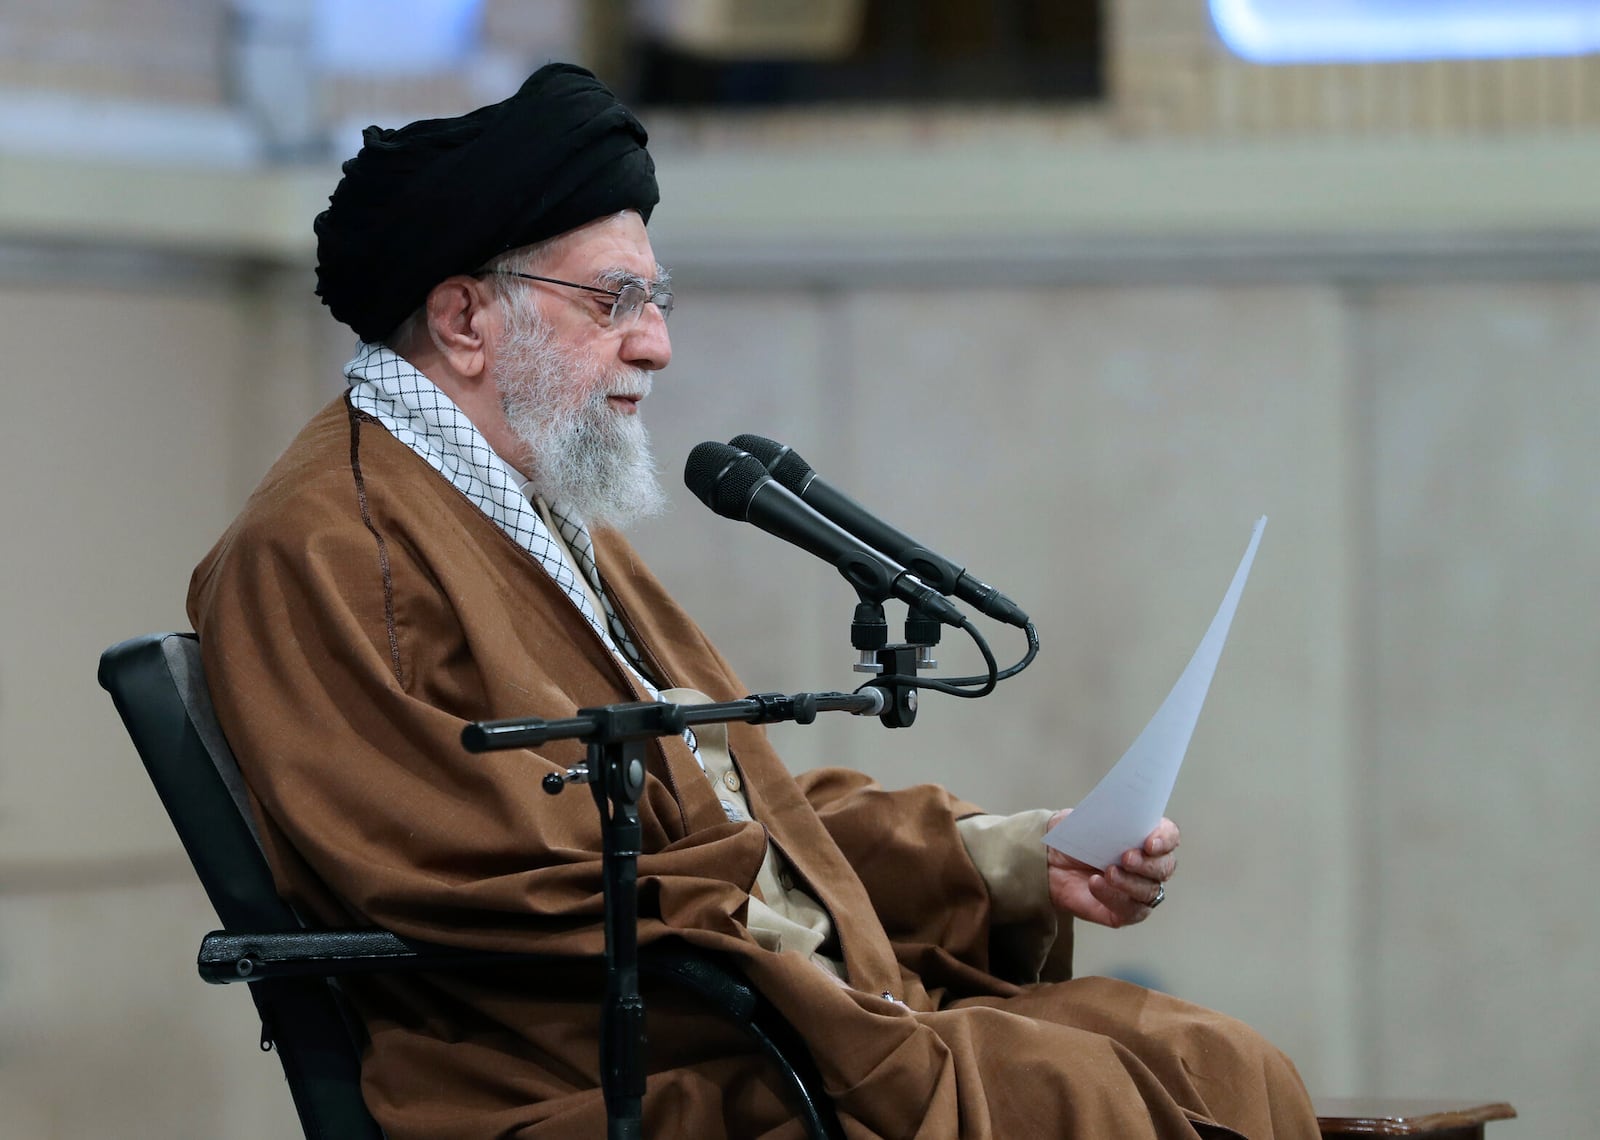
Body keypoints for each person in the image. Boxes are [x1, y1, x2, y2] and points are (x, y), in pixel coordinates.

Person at [187, 62, 1321, 1139]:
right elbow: (479, 881)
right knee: (1068, 1095)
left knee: (1210, 1058)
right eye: (611, 300)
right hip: (581, 1075)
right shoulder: (324, 546)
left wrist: (1011, 856)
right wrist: (796, 950)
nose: (659, 343)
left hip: (729, 1019)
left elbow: (720, 799)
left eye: (656, 297)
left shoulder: (522, 506)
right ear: (466, 320)